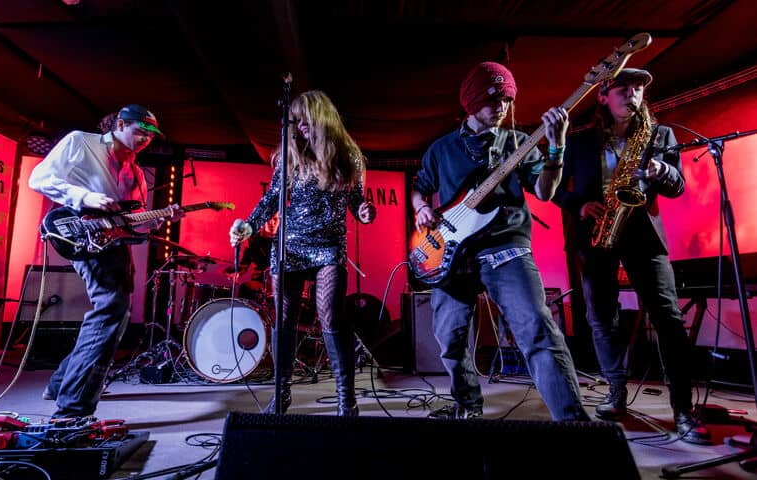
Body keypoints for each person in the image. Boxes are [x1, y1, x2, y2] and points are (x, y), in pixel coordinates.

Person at [412, 61, 590, 421]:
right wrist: (421, 209)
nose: (502, 107)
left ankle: (573, 421)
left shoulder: (519, 143)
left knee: (538, 329)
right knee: (449, 338)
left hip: (507, 248)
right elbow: (420, 189)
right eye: (494, 100)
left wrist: (556, 147)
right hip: (453, 255)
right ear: (472, 101)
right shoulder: (441, 149)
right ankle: (467, 405)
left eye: (508, 100)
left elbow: (544, 191)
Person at [552, 68, 710, 443]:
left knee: (668, 318)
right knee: (600, 317)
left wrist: (661, 169)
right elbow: (554, 187)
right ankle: (615, 390)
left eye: (638, 89)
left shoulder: (660, 135)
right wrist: (579, 205)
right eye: (624, 88)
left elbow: (677, 186)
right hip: (597, 231)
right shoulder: (580, 141)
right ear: (603, 96)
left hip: (643, 233)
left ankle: (683, 409)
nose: (633, 94)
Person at [30, 104, 184, 419]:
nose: (145, 139)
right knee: (111, 308)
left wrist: (160, 218)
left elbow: (132, 222)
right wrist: (84, 197)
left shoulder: (136, 173)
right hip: (80, 232)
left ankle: (60, 383)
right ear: (120, 124)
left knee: (116, 312)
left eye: (151, 135)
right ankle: (73, 407)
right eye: (140, 131)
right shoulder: (81, 142)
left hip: (113, 243)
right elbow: (40, 178)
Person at [230, 90, 376, 416]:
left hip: (329, 246)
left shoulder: (348, 155)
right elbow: (272, 197)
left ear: (321, 117)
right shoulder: (290, 154)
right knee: (285, 318)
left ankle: (346, 400)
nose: (300, 126)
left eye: (304, 119)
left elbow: (357, 203)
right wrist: (250, 225)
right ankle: (281, 395)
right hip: (291, 244)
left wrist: (365, 213)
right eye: (295, 121)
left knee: (331, 315)